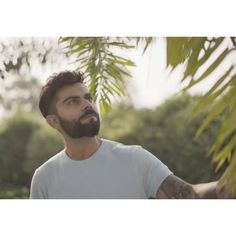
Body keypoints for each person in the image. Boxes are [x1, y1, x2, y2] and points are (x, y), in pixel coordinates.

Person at [30, 70, 228, 199]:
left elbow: (188, 195)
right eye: (73, 101)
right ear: (53, 121)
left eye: (87, 98)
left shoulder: (134, 158)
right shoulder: (44, 178)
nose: (87, 105)